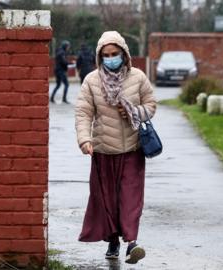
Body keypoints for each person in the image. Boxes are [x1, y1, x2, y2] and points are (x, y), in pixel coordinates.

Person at [74, 31, 157, 264]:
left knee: (130, 198)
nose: (111, 58)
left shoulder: (138, 77)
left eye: (115, 54)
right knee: (107, 200)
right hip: (102, 151)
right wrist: (84, 139)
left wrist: (134, 111)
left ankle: (132, 243)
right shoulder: (91, 80)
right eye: (106, 55)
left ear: (124, 54)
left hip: (132, 149)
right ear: (100, 57)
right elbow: (83, 112)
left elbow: (150, 105)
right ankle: (113, 241)